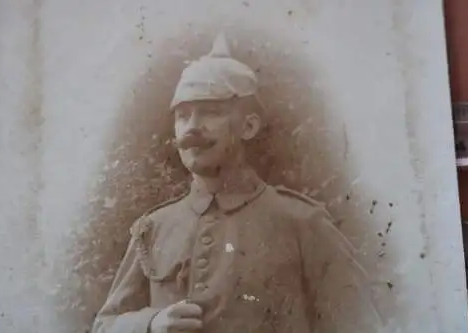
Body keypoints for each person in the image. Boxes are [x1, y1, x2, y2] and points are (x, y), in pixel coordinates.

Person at [92, 34, 382, 333]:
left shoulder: (302, 222)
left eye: (211, 112)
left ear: (248, 126)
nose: (191, 128)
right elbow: (105, 324)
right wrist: (151, 324)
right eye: (182, 116)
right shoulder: (154, 228)